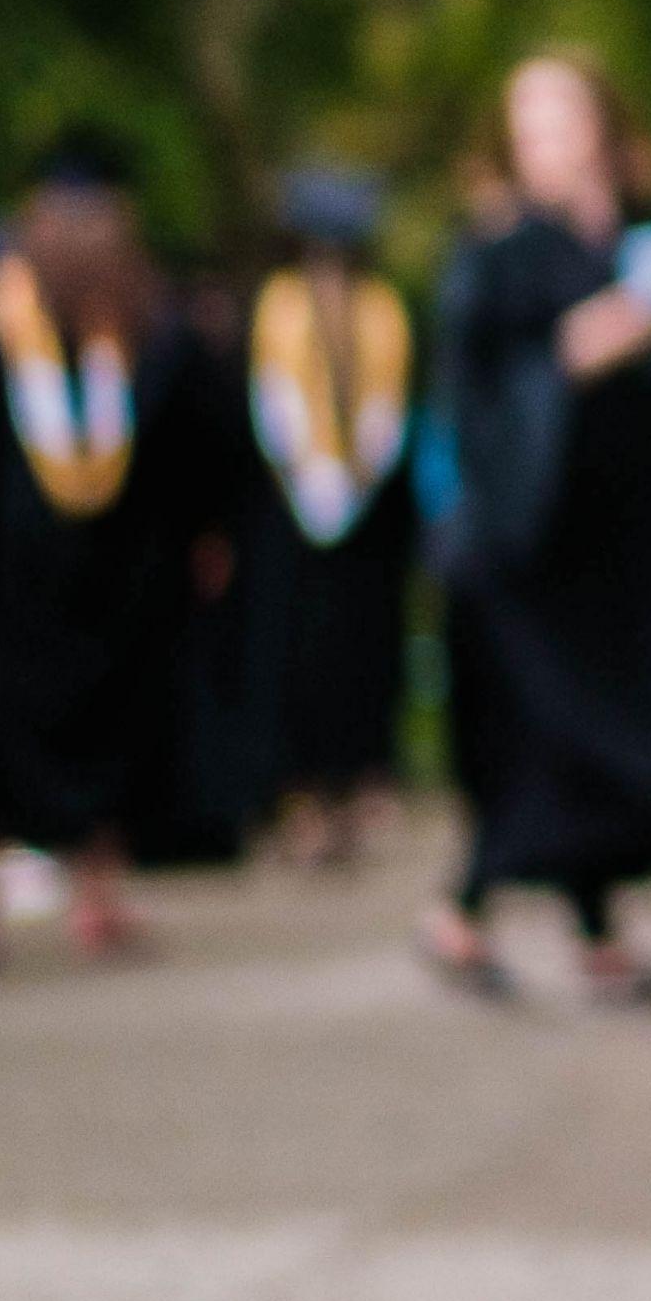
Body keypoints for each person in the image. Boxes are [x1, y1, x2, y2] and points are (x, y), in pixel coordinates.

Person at [422, 54, 651, 1004]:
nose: (549, 138)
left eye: (563, 116)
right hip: (530, 548)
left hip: (608, 551)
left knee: (580, 740)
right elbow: (484, 394)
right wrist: (582, 349)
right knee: (550, 736)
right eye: (530, 123)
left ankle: (593, 934)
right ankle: (464, 912)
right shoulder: (503, 250)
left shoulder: (632, 242)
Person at [0, 132, 249, 966]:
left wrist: (206, 531)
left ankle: (81, 895)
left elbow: (204, 445)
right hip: (21, 578)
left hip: (114, 581)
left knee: (103, 731)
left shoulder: (147, 335)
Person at [247, 168, 421, 869]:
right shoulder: (280, 304)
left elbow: (391, 400)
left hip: (365, 508)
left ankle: (357, 784)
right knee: (298, 652)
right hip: (295, 504)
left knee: (362, 651)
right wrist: (306, 476)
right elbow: (273, 397)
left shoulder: (382, 307)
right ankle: (303, 794)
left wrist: (360, 475)